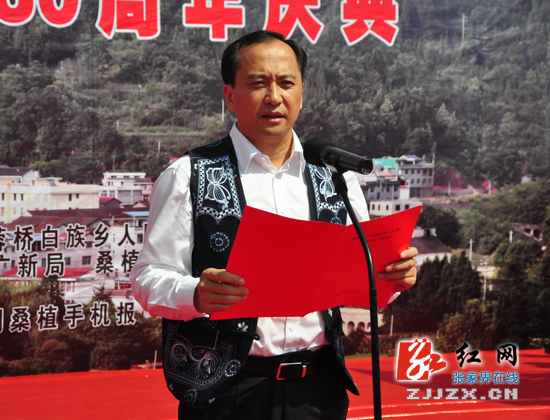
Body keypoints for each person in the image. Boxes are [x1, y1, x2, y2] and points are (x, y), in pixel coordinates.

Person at [130, 30, 418, 420]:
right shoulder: (189, 175)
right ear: (230, 95)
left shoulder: (336, 177)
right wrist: (196, 293)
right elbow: (148, 278)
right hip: (228, 394)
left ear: (302, 92)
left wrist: (392, 277)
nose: (274, 96)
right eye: (257, 83)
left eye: (286, 82)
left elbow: (358, 280)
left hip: (319, 389)